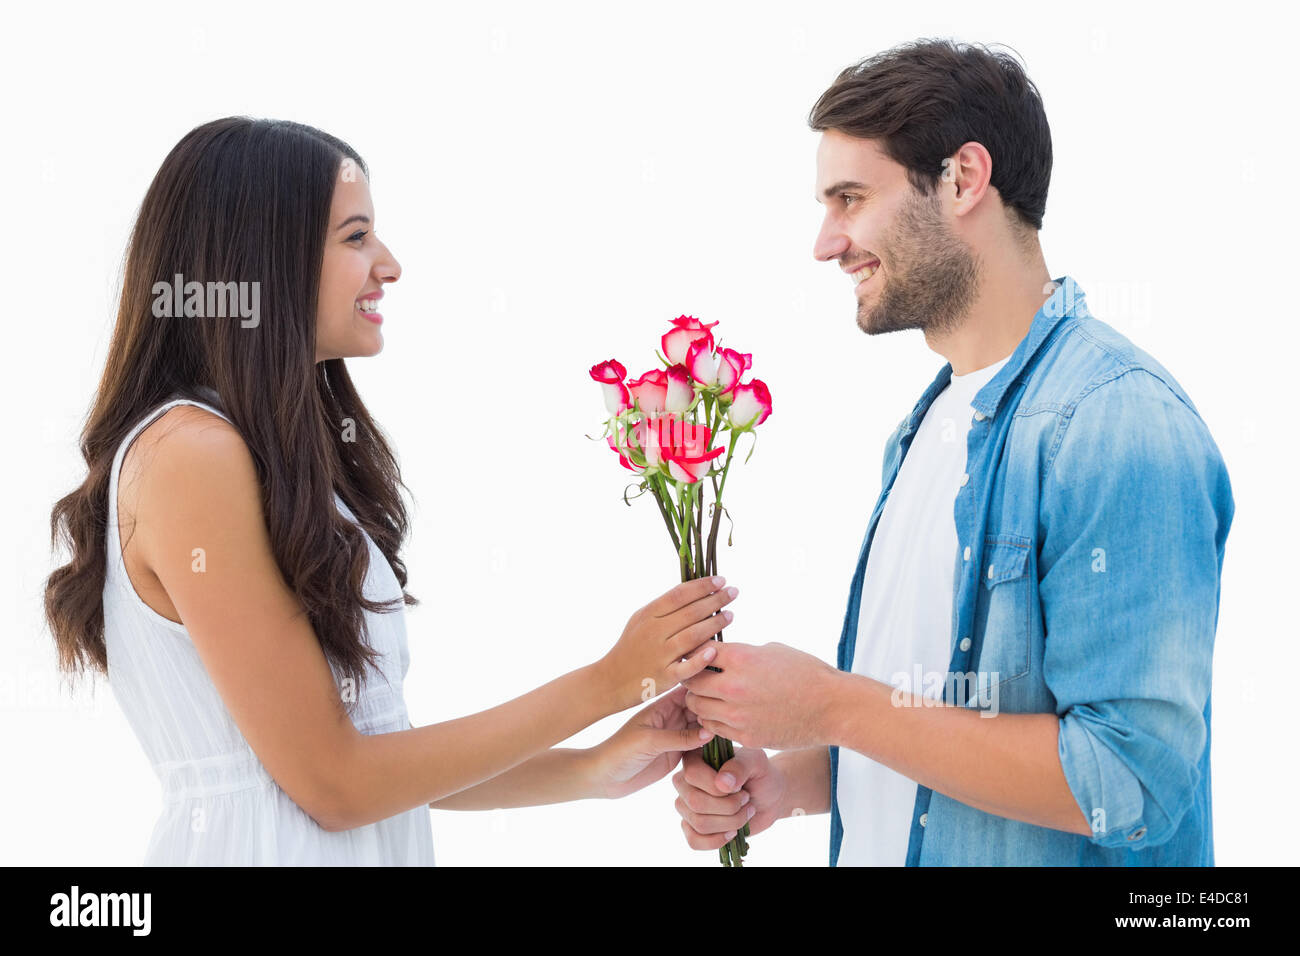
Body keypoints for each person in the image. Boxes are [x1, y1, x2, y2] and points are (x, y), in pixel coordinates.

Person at [44, 116, 736, 865]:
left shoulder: (264, 454)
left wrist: (592, 769)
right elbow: (334, 786)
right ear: (262, 261)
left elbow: (372, 754)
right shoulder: (188, 455)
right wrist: (608, 682)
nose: (390, 265)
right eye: (355, 237)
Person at [672, 39, 1234, 866]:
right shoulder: (930, 424)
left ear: (965, 179)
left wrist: (833, 707)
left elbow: (1129, 780)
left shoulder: (1113, 423)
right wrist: (790, 780)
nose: (826, 243)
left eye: (851, 198)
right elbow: (937, 713)